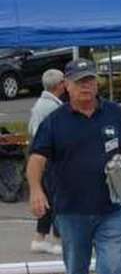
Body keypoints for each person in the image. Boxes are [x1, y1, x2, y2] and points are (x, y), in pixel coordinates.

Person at [26, 59, 121, 274]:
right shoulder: (54, 121)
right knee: (76, 271)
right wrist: (36, 190)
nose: (87, 86)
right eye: (80, 81)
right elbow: (37, 159)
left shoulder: (115, 113)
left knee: (111, 267)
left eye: (91, 80)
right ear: (67, 85)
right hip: (71, 210)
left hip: (111, 209)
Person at [28, 69, 66, 255]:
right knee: (57, 198)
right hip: (51, 160)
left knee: (48, 199)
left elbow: (31, 130)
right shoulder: (54, 108)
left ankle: (40, 237)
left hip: (41, 159)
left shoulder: (39, 104)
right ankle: (59, 240)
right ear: (60, 85)